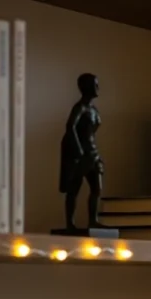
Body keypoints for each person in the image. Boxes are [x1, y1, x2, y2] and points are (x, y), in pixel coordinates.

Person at [59, 73, 104, 230]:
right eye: (95, 84)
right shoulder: (80, 108)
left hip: (92, 152)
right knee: (73, 189)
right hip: (81, 154)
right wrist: (78, 150)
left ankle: (93, 220)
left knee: (97, 188)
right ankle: (70, 223)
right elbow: (70, 126)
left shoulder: (94, 109)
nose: (98, 87)